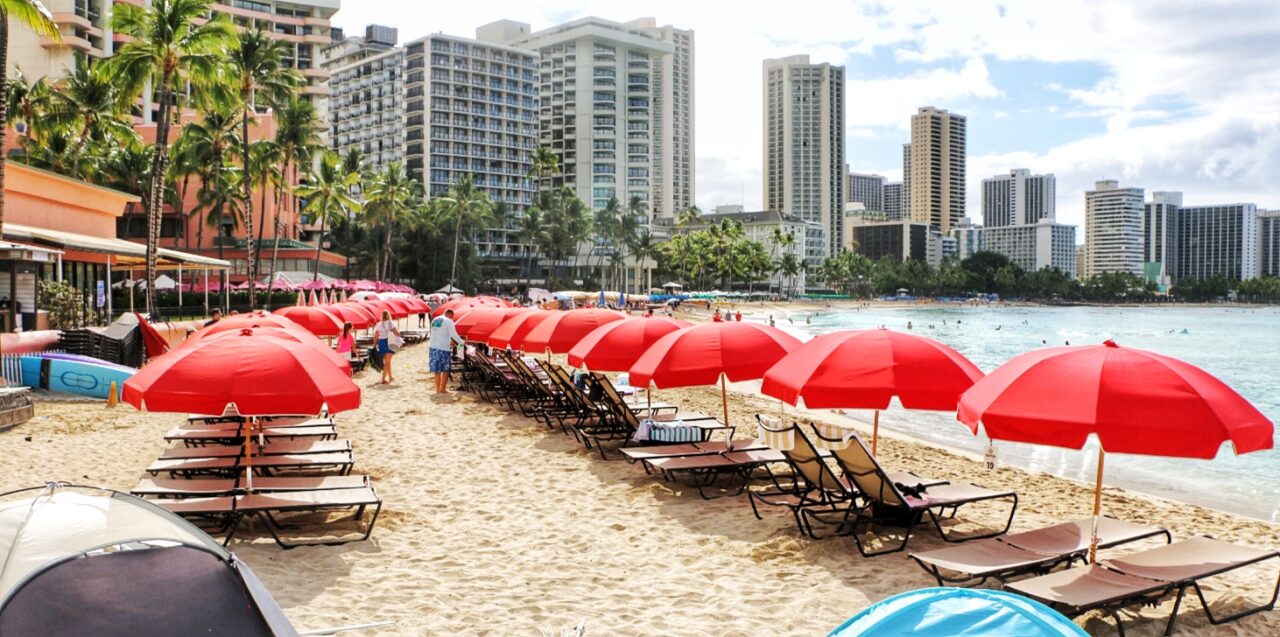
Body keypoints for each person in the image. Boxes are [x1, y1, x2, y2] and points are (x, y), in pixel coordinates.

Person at [429, 308, 464, 394]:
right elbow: (454, 334)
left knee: (437, 370)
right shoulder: (448, 321)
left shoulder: (435, 320)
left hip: (433, 347)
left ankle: (437, 389)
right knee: (445, 369)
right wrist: (462, 342)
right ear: (451, 315)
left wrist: (448, 341)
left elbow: (437, 334)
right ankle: (443, 389)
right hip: (443, 348)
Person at [375, 310, 400, 384]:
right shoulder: (391, 323)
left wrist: (374, 343)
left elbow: (376, 335)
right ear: (389, 315)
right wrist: (399, 336)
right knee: (387, 362)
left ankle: (390, 377)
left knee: (387, 361)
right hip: (389, 342)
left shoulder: (379, 324)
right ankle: (383, 379)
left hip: (381, 342)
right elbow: (396, 332)